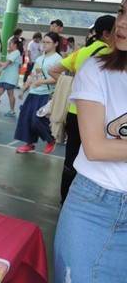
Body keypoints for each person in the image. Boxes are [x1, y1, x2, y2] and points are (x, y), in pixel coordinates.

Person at [32, 0, 127, 283]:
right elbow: (97, 145)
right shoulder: (97, 68)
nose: (122, 22)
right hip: (92, 202)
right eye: (123, 11)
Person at [48, 14, 115, 203]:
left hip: (74, 112)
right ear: (107, 34)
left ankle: (65, 199)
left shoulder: (81, 53)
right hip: (98, 115)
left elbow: (53, 70)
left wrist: (73, 84)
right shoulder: (110, 55)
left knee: (70, 158)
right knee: (93, 158)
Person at [14, 32, 63, 154]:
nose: (45, 44)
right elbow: (33, 75)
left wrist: (42, 82)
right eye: (44, 42)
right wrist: (24, 89)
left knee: (37, 119)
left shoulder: (58, 59)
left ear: (56, 44)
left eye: (48, 42)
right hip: (33, 92)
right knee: (26, 118)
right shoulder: (40, 58)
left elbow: (59, 78)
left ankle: (50, 139)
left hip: (47, 94)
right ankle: (29, 144)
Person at [0, 36, 23, 117]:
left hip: (10, 78)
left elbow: (7, 63)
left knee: (10, 94)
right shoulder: (12, 53)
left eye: (10, 43)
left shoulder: (16, 52)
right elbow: (4, 64)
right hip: (5, 77)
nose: (9, 45)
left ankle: (12, 110)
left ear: (15, 44)